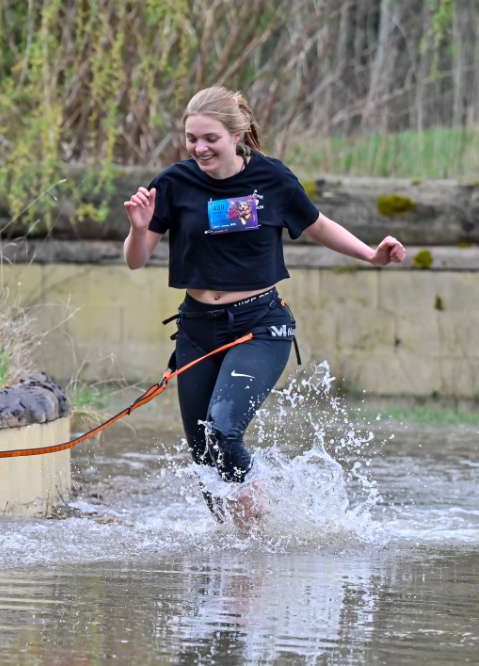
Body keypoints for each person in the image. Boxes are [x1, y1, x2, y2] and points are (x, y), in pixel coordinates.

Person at [122, 85, 405, 524]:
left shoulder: (271, 178)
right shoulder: (174, 184)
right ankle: (240, 558)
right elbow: (136, 262)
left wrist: (371, 255)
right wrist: (139, 229)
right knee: (203, 452)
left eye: (210, 139)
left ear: (237, 134)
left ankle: (267, 521)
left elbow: (318, 225)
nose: (199, 148)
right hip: (197, 328)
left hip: (259, 326)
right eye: (192, 139)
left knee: (222, 429)